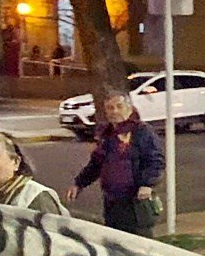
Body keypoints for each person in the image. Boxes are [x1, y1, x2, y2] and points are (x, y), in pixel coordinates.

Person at [66, 91, 165, 238]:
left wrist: (147, 184)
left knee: (139, 241)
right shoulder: (107, 135)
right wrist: (79, 183)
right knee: (115, 240)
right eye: (110, 108)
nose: (115, 111)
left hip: (135, 200)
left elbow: (155, 160)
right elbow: (96, 164)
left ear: (129, 109)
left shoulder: (142, 132)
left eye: (119, 106)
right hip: (112, 200)